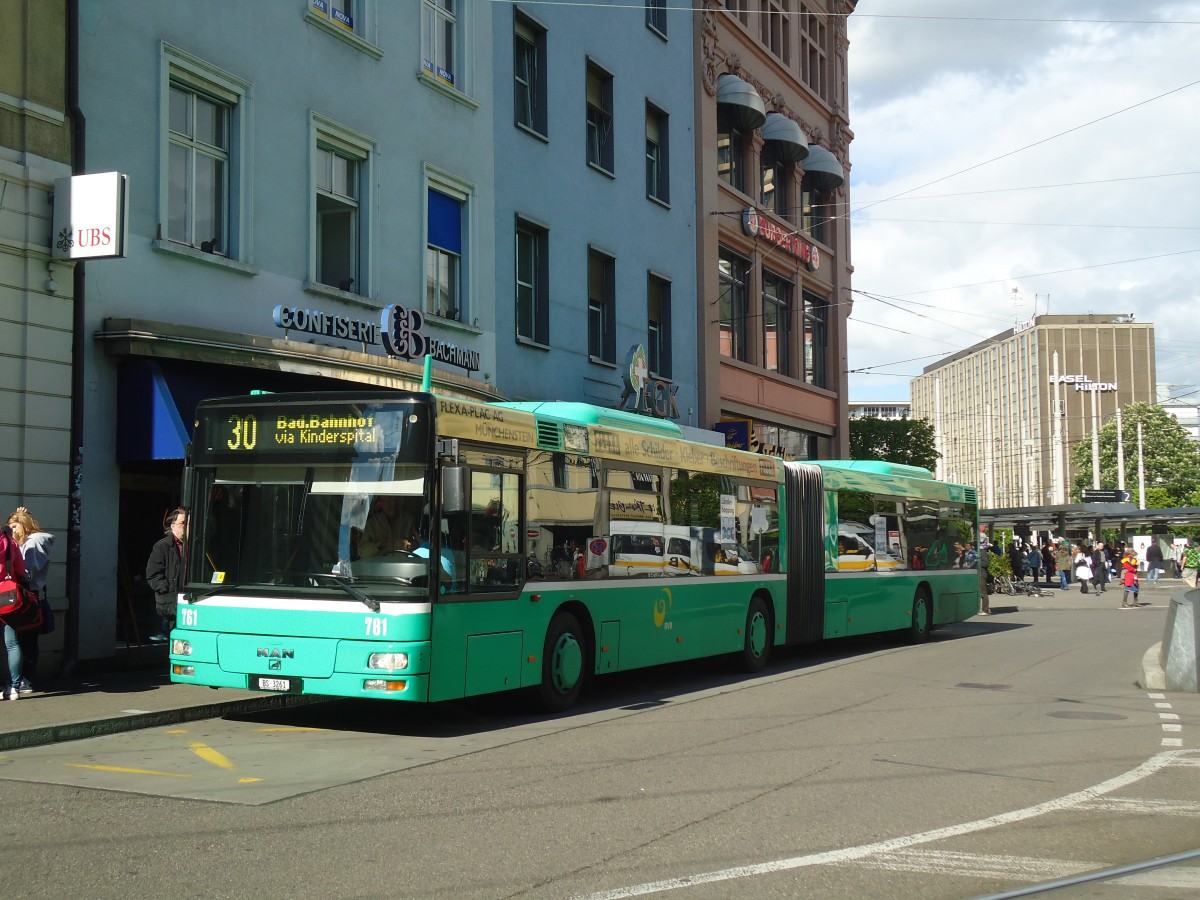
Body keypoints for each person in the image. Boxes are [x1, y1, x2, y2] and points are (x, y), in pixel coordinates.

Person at [7, 507, 53, 694]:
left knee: (24, 641)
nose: (12, 531)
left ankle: (23, 681)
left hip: (28, 596)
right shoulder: (24, 541)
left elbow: (27, 570)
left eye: (15, 526)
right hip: (21, 595)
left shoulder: (36, 542)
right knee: (21, 641)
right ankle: (21, 681)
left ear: (24, 525)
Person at [145, 508, 187, 643]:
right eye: (183, 523)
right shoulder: (162, 546)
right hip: (169, 601)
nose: (187, 527)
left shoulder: (193, 546)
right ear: (173, 526)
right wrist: (165, 589)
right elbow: (153, 574)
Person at [0, 523, 27, 700]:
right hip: (7, 597)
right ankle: (15, 687)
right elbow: (20, 570)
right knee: (12, 643)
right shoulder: (10, 542)